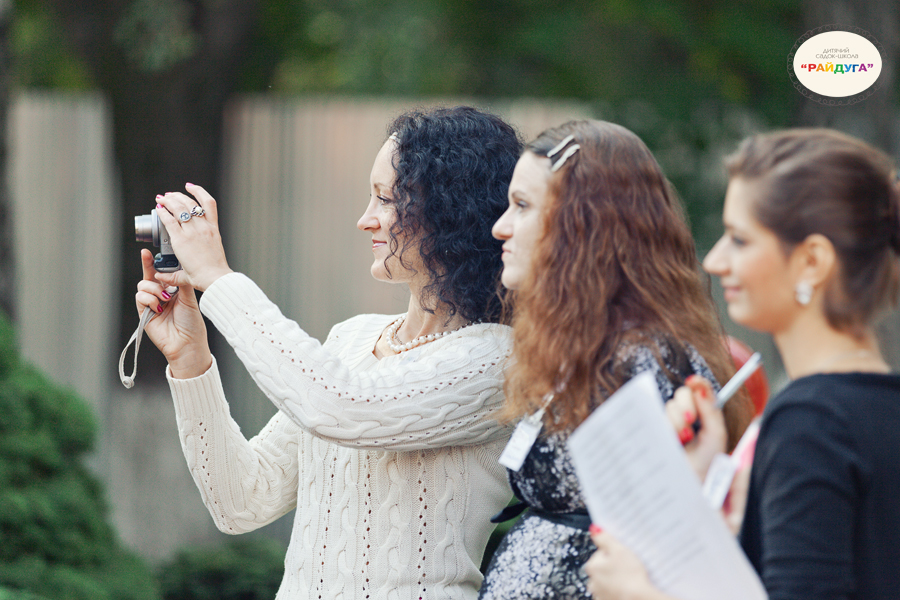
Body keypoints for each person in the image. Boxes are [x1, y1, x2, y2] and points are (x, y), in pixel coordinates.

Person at [134, 106, 524, 600]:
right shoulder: (352, 340)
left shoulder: (498, 360)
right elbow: (241, 502)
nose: (366, 220)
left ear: (452, 210)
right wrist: (191, 362)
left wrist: (218, 280)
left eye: (385, 198)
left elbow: (343, 406)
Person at [585, 128, 900, 600]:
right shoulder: (872, 408)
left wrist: (639, 594)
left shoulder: (810, 423)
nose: (714, 260)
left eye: (739, 239)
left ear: (812, 261)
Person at [477, 120, 752, 599]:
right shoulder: (585, 348)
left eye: (522, 206)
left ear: (584, 226)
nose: (500, 226)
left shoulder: (646, 363)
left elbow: (672, 542)